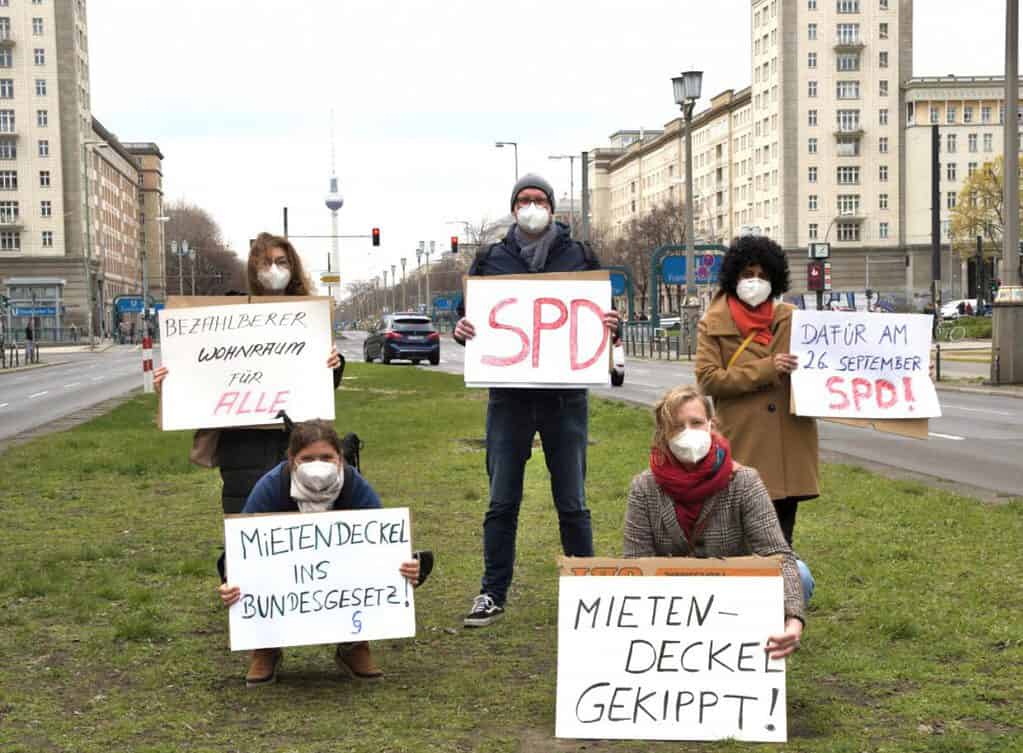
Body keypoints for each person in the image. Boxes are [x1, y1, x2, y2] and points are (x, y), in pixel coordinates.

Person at [454, 174, 620, 627]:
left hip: (565, 398)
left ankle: (586, 590)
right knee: (501, 499)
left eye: (539, 199)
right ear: (513, 209)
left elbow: (601, 317)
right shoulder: (490, 258)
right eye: (524, 200)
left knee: (573, 500)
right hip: (508, 398)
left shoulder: (580, 255)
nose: (531, 206)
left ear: (552, 208)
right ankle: (492, 592)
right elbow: (466, 315)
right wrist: (462, 328)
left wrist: (611, 322)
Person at [218, 419, 431, 687]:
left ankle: (354, 645)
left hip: (343, 570)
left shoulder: (355, 485)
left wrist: (408, 565)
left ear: (340, 458)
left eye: (326, 457)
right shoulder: (271, 486)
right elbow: (242, 550)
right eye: (307, 458)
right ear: (292, 459)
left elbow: (385, 544)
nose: (317, 465)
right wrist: (229, 581)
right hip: (287, 569)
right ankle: (265, 647)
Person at [154, 232, 344, 513]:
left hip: (297, 442)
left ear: (293, 267)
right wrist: (172, 382)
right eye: (266, 263)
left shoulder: (311, 318)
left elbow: (324, 386)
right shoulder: (226, 315)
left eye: (281, 261)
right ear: (254, 269)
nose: (274, 269)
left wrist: (334, 364)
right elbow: (203, 371)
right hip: (242, 447)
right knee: (247, 529)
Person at [623, 385, 808, 659]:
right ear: (663, 433)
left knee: (799, 574)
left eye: (696, 423)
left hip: (734, 598)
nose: (688, 432)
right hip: (671, 600)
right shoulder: (644, 488)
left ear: (711, 424)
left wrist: (794, 619)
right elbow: (635, 563)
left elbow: (776, 553)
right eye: (676, 426)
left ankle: (766, 643)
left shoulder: (745, 481)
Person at [695, 235, 817, 546]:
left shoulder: (793, 319)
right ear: (734, 276)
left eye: (763, 276)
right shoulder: (713, 323)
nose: (755, 282)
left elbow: (836, 360)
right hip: (743, 444)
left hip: (789, 446)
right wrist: (766, 369)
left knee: (780, 542)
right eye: (748, 274)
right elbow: (709, 380)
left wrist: (901, 371)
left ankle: (782, 592)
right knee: (740, 539)